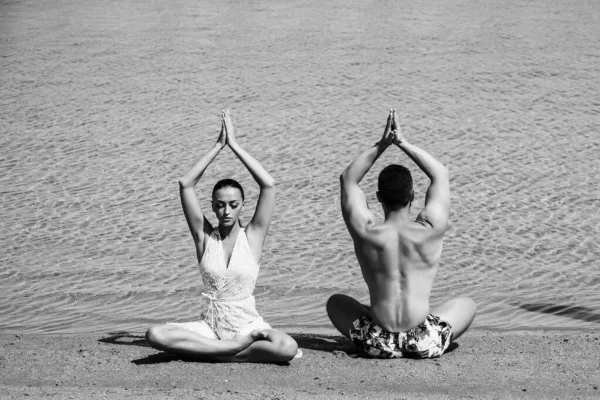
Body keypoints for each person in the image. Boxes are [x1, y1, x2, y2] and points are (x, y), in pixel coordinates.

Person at [146, 110, 299, 363]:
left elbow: (268, 184)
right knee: (154, 333)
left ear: (241, 205)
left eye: (233, 204)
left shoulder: (253, 236)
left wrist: (234, 145)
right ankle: (232, 352)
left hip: (246, 328)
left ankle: (216, 352)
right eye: (219, 205)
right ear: (213, 206)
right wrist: (218, 145)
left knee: (287, 347)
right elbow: (186, 184)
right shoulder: (204, 238)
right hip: (209, 328)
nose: (226, 211)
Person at [326, 109, 476, 359]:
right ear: (413, 197)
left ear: (377, 199)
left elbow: (348, 179)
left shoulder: (366, 230)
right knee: (467, 304)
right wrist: (403, 142)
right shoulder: (429, 229)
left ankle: (384, 333)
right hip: (424, 341)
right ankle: (416, 339)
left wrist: (382, 144)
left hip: (376, 342)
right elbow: (440, 174)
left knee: (335, 302)